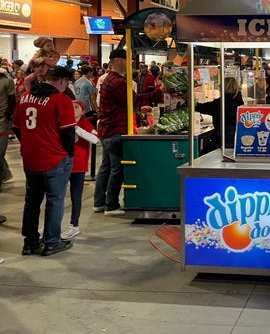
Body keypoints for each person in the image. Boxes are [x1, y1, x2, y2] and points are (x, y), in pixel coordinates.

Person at [12, 66, 76, 256]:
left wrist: (30, 144)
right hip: (54, 158)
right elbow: (68, 132)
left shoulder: (25, 97)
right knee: (55, 200)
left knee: (32, 201)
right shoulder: (61, 100)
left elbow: (16, 127)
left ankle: (30, 242)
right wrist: (68, 154)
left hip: (30, 159)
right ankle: (52, 241)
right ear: (63, 81)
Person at [93, 49, 162, 215]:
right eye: (128, 61)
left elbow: (125, 103)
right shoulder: (116, 82)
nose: (130, 64)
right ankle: (111, 205)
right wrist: (159, 92)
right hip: (115, 130)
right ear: (117, 60)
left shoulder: (110, 80)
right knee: (118, 169)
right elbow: (134, 99)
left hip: (107, 130)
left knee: (106, 168)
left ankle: (99, 203)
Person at [62, 100, 99, 240]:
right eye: (70, 106)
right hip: (63, 164)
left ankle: (74, 224)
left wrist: (77, 129)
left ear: (82, 111)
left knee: (76, 196)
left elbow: (95, 139)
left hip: (78, 166)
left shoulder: (84, 124)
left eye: (76, 107)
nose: (73, 109)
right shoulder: (63, 123)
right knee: (58, 197)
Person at [0, 66, 16, 187]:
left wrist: (6, 116)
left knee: (0, 151)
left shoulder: (7, 80)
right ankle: (4, 173)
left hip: (2, 120)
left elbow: (12, 100)